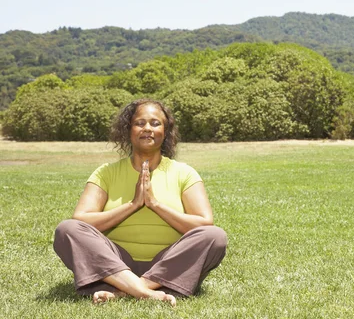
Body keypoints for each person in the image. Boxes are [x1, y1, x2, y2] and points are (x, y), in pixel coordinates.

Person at [53, 99, 227, 306]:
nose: (147, 128)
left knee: (215, 236)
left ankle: (126, 289)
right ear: (128, 130)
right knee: (67, 229)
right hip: (114, 262)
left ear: (166, 131)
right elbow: (81, 220)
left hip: (169, 262)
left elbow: (204, 224)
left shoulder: (184, 173)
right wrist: (133, 205)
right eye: (140, 123)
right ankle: (146, 291)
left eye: (155, 123)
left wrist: (154, 204)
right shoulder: (106, 173)